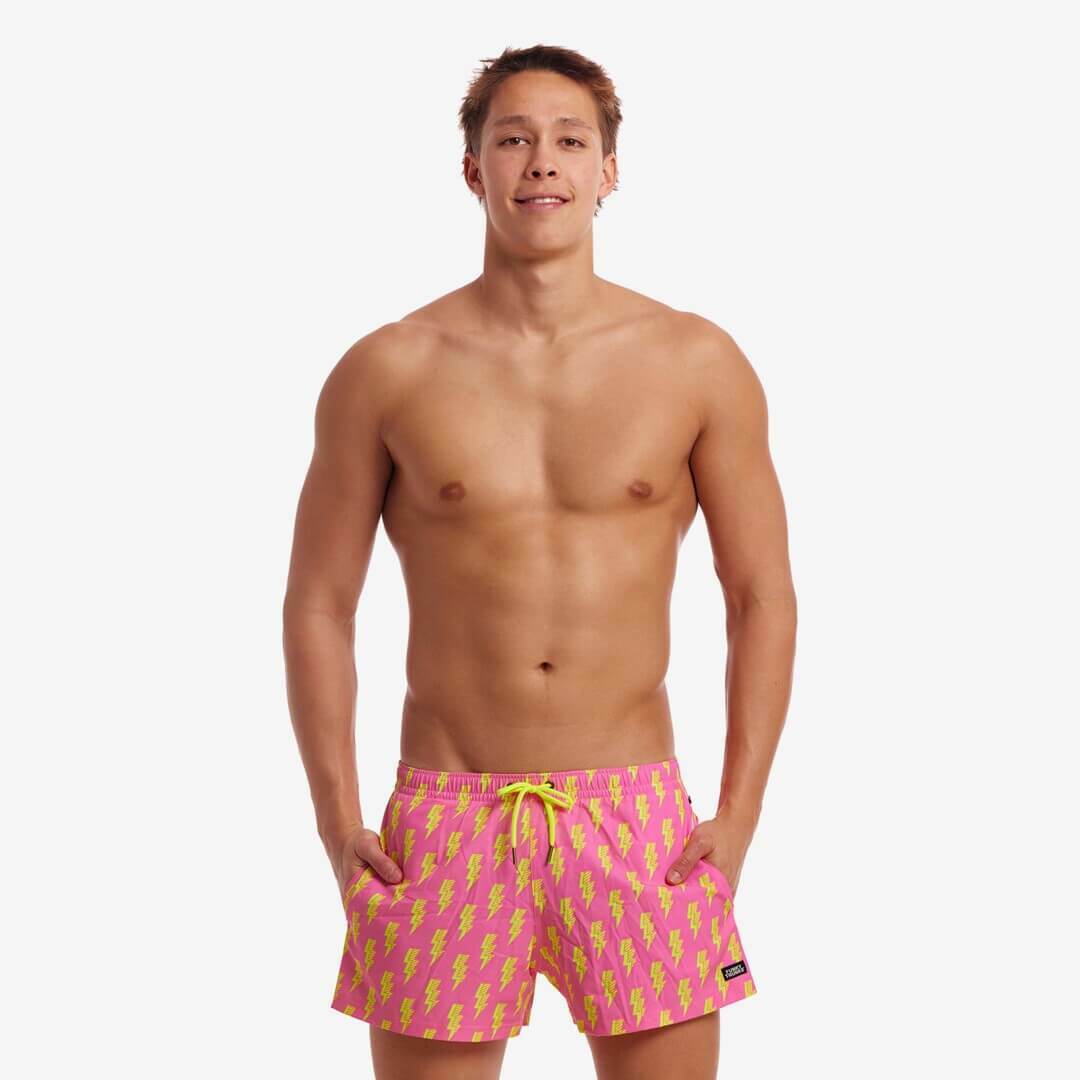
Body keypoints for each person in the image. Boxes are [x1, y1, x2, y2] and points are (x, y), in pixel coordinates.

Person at [282, 43, 797, 1080]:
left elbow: (760, 596)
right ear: (473, 169)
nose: (543, 162)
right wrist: (338, 824)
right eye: (513, 139)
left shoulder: (696, 361)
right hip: (446, 817)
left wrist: (738, 817)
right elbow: (319, 605)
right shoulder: (387, 369)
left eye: (571, 140)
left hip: (638, 822)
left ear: (610, 171)